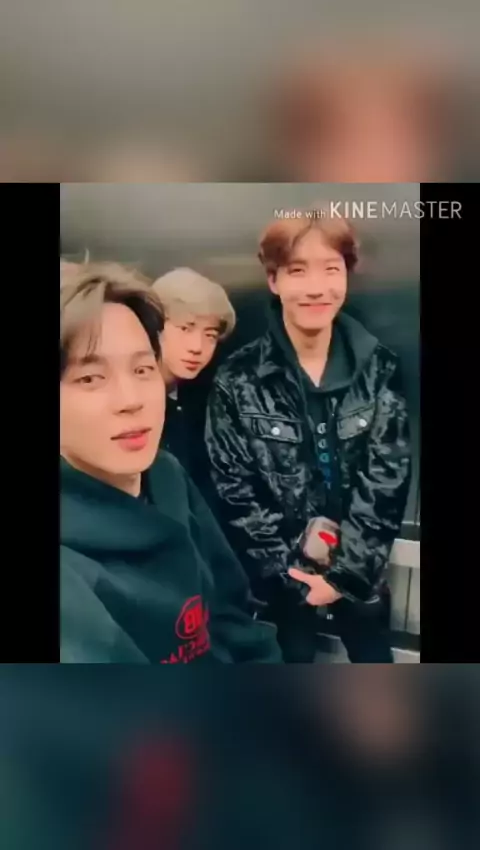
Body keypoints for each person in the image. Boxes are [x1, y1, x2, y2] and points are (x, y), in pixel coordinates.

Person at [205, 214, 411, 663]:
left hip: (361, 572)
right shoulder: (238, 379)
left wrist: (344, 576)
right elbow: (234, 490)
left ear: (346, 276)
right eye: (298, 270)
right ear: (274, 281)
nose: (316, 288)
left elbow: (388, 479)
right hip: (280, 580)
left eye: (331, 269)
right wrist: (294, 577)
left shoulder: (379, 368)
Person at [60, 261, 281, 664]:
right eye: (90, 378)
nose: (131, 399)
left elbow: (233, 617)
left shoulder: (165, 475)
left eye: (143, 369)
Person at [151, 267, 235, 499]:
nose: (197, 347)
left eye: (210, 335)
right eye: (185, 328)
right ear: (154, 326)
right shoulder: (130, 400)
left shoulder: (204, 398)